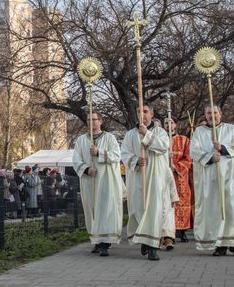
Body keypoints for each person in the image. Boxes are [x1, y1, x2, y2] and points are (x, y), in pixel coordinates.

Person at [191, 105, 234, 257]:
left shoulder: (231, 129)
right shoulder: (199, 132)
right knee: (215, 210)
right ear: (205, 115)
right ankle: (220, 244)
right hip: (210, 177)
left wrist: (222, 148)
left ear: (220, 114)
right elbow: (193, 151)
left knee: (232, 208)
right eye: (208, 113)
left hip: (230, 176)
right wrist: (209, 157)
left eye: (215, 112)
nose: (212, 115)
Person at [121, 104, 170, 261]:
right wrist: (135, 160)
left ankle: (153, 247)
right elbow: (124, 153)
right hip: (138, 179)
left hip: (155, 179)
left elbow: (163, 147)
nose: (142, 114)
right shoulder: (130, 135)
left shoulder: (160, 132)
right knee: (139, 210)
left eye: (145, 111)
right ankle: (144, 239)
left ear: (152, 114)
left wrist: (147, 135)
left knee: (154, 212)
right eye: (139, 111)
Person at [73, 112, 123, 257]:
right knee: (92, 210)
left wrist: (99, 152)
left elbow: (116, 155)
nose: (91, 122)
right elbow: (76, 159)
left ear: (100, 121)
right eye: (88, 120)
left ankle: (104, 243)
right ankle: (96, 240)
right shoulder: (81, 140)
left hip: (106, 181)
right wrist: (86, 169)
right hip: (90, 181)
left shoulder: (109, 138)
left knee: (105, 210)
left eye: (94, 120)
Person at [169, 119, 193, 242]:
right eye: (165, 123)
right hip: (166, 177)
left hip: (180, 177)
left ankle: (182, 231)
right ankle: (169, 233)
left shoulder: (184, 140)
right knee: (168, 204)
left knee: (182, 203)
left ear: (175, 125)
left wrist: (176, 167)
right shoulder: (161, 140)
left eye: (171, 122)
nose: (168, 125)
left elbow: (188, 158)